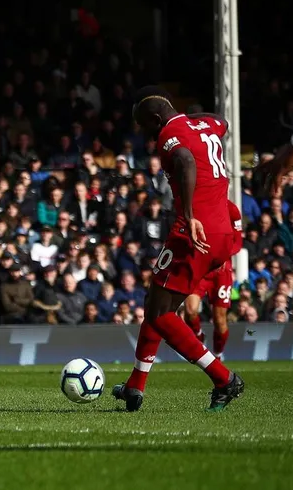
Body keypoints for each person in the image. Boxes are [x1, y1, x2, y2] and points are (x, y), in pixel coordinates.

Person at [112, 87, 244, 412]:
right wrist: (191, 121)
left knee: (160, 314)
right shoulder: (207, 126)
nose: (148, 135)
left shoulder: (169, 134)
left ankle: (223, 378)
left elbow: (185, 160)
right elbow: (221, 120)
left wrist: (188, 215)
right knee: (156, 300)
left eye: (148, 127)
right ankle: (135, 386)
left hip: (194, 232)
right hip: (222, 231)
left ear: (157, 119)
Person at [180, 201, 244, 359]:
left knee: (219, 319)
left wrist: (222, 257)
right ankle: (199, 337)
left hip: (221, 271)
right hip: (201, 268)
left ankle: (217, 354)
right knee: (189, 310)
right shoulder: (197, 206)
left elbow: (238, 241)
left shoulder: (232, 210)